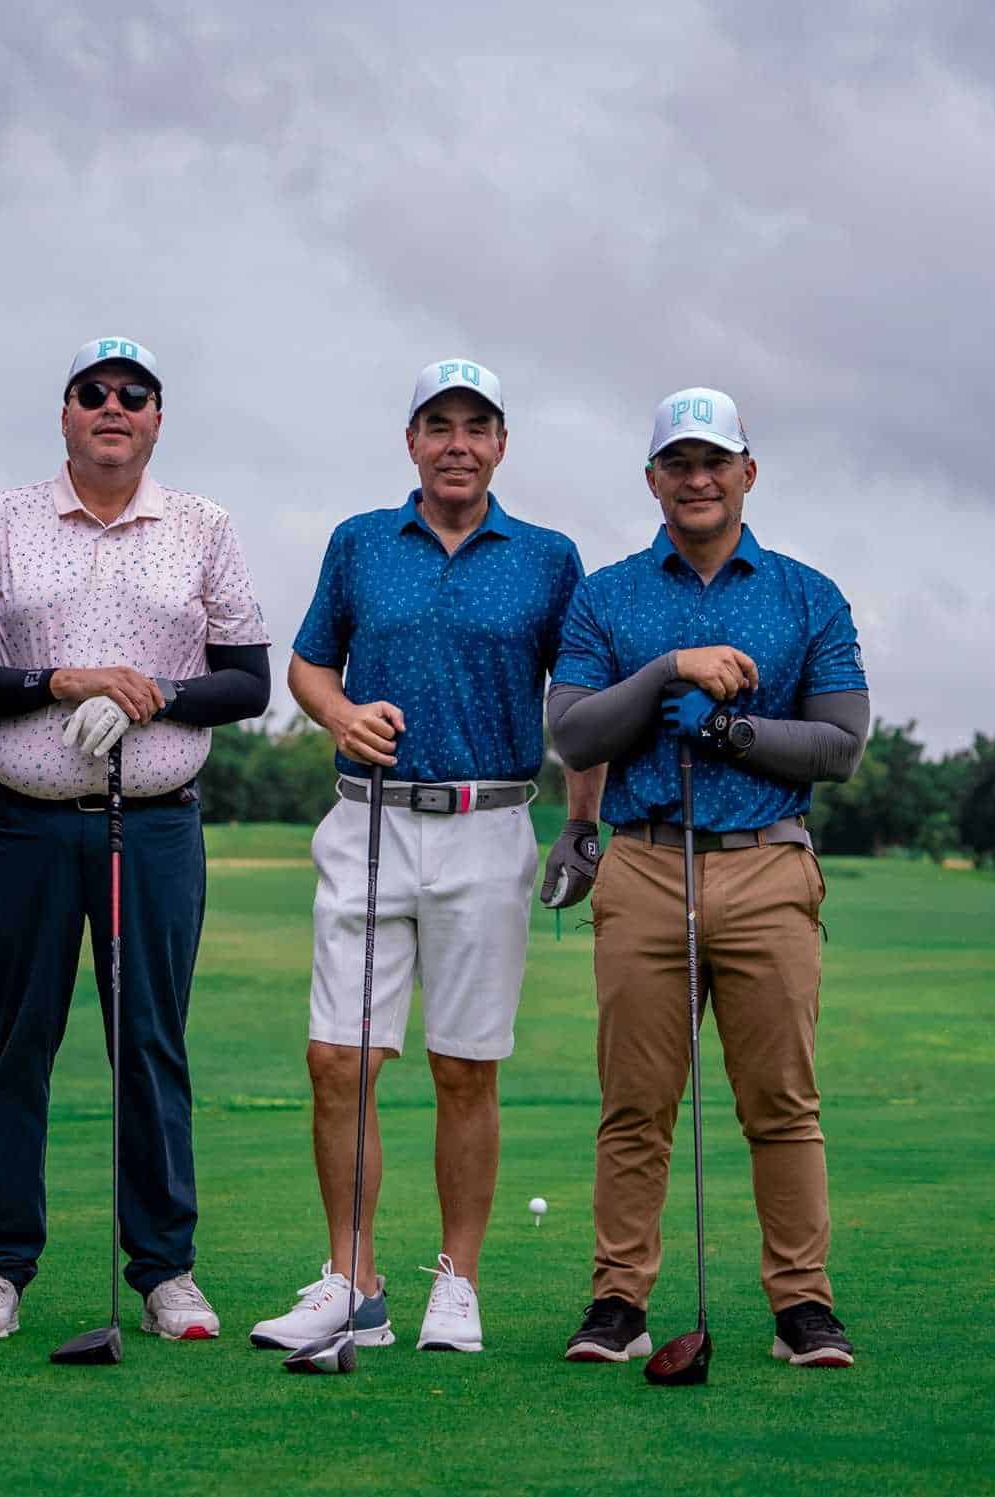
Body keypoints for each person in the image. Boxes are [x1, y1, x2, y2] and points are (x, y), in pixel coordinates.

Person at [250, 358, 604, 1356]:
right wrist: (336, 712)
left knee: (464, 1068)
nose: (457, 443)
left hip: (489, 824)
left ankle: (456, 1281)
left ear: (499, 444)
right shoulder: (361, 543)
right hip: (366, 820)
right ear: (411, 440)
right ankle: (351, 1279)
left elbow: (573, 706)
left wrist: (579, 826)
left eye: (475, 427)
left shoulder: (546, 557)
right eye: (437, 425)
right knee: (336, 1059)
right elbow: (310, 661)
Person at [0, 335, 270, 1344]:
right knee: (16, 1046)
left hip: (154, 828)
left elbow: (248, 680)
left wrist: (152, 694)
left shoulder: (202, 526)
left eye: (134, 394)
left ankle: (165, 1270)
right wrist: (65, 681)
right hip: (25, 826)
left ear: (157, 418)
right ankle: (0, 1264)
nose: (112, 406)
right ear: (66, 414)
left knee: (151, 1047)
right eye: (92, 393)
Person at [548, 386, 869, 1368]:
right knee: (635, 1103)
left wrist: (727, 730)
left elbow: (840, 743)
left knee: (780, 1102)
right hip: (643, 862)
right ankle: (617, 1302)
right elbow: (569, 731)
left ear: (746, 473)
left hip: (766, 865)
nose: (695, 479)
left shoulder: (805, 595)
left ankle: (801, 1305)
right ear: (653, 480)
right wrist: (661, 677)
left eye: (712, 461)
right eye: (676, 464)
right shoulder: (605, 595)